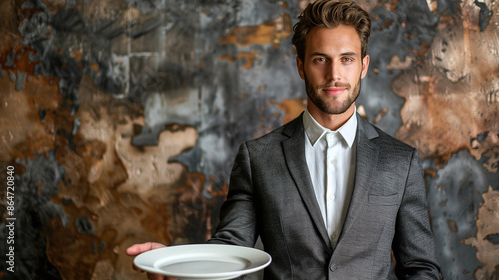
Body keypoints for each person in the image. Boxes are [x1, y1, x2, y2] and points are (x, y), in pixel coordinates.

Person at [126, 1, 441, 279]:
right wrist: (174, 266)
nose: (335, 74)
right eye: (320, 59)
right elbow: (230, 248)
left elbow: (420, 268)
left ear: (363, 66)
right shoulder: (258, 157)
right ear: (301, 66)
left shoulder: (401, 160)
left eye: (346, 59)